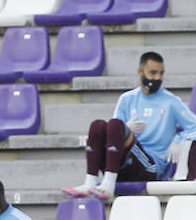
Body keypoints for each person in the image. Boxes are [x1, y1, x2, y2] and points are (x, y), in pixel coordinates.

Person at [63, 51, 196, 201]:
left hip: (151, 166)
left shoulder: (171, 101)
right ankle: (90, 182)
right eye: (153, 73)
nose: (158, 78)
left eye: (161, 73)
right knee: (98, 126)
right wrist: (127, 128)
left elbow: (194, 126)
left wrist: (179, 139)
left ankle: (108, 184)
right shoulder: (127, 98)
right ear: (140, 71)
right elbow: (112, 132)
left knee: (115, 125)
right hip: (124, 160)